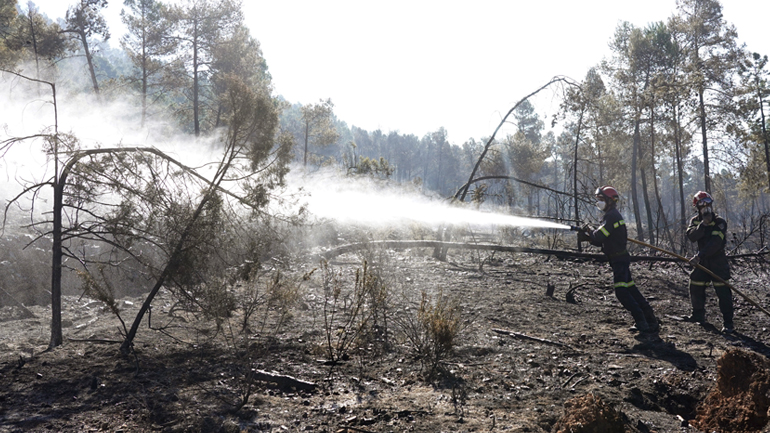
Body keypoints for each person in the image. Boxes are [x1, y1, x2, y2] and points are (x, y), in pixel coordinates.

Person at [578, 186, 659, 334]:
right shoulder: (611, 215)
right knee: (631, 289)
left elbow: (599, 236)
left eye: (601, 200)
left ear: (610, 201)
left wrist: (589, 231)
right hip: (619, 259)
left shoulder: (611, 217)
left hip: (619, 260)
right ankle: (651, 320)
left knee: (621, 292)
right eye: (598, 200)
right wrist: (588, 238)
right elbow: (601, 240)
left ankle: (641, 321)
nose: (599, 203)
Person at [684, 191, 734, 333]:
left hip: (718, 262)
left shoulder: (720, 222)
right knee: (695, 282)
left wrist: (699, 256)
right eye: (702, 204)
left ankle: (728, 323)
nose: (706, 206)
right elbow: (692, 236)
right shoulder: (695, 221)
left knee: (723, 292)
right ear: (697, 207)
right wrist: (703, 225)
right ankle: (698, 315)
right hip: (703, 262)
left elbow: (715, 243)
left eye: (708, 203)